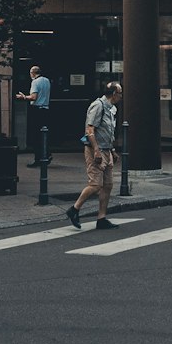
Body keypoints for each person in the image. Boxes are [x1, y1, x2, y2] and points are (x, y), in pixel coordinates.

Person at [68, 81, 120, 231]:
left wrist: (112, 150)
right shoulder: (98, 106)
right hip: (95, 150)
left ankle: (101, 218)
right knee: (95, 184)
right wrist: (96, 150)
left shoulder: (113, 109)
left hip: (107, 150)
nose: (121, 96)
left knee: (108, 185)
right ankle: (74, 209)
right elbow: (90, 129)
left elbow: (108, 132)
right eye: (120, 93)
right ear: (115, 94)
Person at [16, 63, 52, 165]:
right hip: (46, 108)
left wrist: (22, 97)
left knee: (35, 135)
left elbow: (33, 97)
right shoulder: (46, 80)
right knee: (43, 134)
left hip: (37, 110)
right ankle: (46, 154)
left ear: (32, 73)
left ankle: (38, 159)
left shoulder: (35, 82)